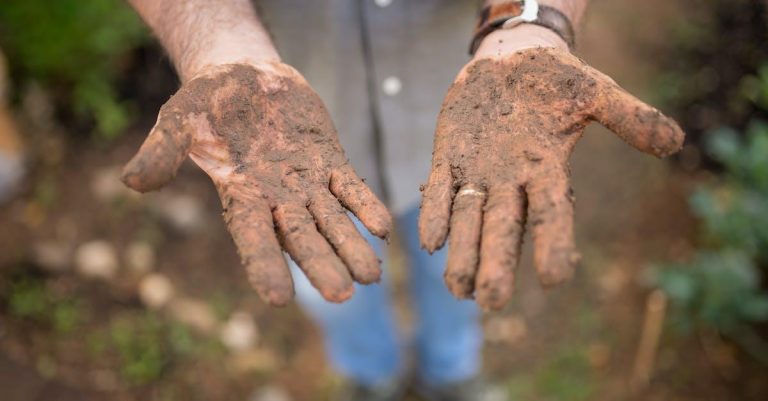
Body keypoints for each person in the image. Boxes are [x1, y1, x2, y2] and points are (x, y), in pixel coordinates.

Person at [123, 1, 684, 400]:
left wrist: (530, 21)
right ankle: (372, 379)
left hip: (467, 126)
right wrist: (220, 41)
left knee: (462, 268)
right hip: (291, 141)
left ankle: (451, 374)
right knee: (330, 284)